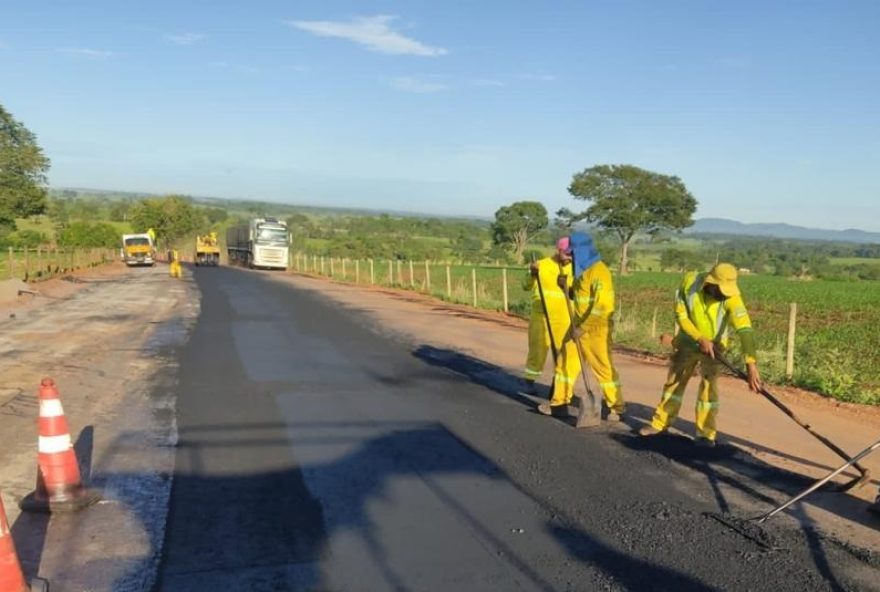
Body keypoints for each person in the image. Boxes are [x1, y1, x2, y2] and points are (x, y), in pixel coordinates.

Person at [639, 262, 762, 447]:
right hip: (688, 342)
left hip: (715, 349)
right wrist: (699, 338)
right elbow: (681, 316)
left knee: (708, 389)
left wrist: (751, 364)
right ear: (710, 283)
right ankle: (660, 424)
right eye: (721, 291)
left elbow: (745, 329)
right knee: (674, 384)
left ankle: (706, 434)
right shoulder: (689, 284)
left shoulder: (732, 297)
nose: (724, 295)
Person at [538, 231, 625, 420]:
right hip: (577, 326)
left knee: (603, 368)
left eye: (572, 253)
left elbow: (603, 307)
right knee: (565, 363)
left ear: (582, 252)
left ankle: (616, 407)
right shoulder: (581, 271)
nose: (569, 256)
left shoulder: (600, 272)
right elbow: (579, 298)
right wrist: (566, 288)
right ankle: (558, 402)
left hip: (596, 330)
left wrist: (583, 328)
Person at [522, 237, 573, 395]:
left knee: (562, 354)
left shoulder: (576, 269)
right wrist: (532, 273)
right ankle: (529, 381)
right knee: (537, 349)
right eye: (567, 253)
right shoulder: (541, 265)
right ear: (559, 250)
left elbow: (578, 293)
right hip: (541, 316)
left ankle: (556, 387)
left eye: (572, 254)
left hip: (564, 317)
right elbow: (526, 286)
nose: (569, 257)